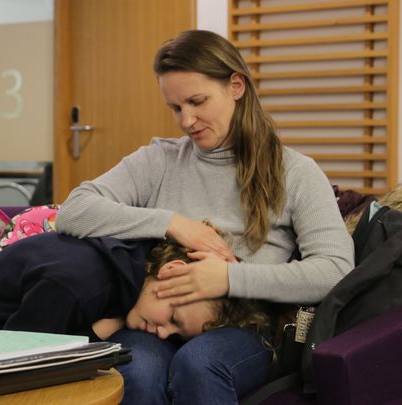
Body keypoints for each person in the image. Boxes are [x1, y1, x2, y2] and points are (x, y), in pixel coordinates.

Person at [54, 29, 355, 404]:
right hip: (155, 321)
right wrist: (172, 223)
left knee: (199, 364)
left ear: (235, 86)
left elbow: (335, 270)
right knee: (138, 370)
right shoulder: (159, 160)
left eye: (197, 101)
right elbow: (73, 211)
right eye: (176, 108)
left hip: (245, 326)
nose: (186, 120)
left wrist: (228, 278)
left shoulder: (294, 171)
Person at [0, 229, 269, 342]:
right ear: (172, 271)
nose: (164, 333)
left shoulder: (131, 264)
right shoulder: (75, 286)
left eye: (176, 335)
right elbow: (18, 363)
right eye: (174, 319)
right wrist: (96, 334)